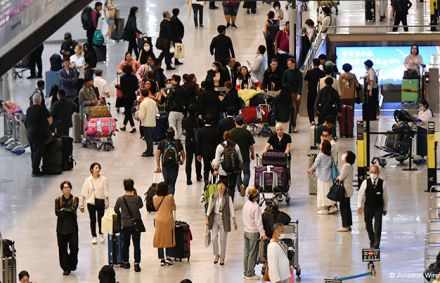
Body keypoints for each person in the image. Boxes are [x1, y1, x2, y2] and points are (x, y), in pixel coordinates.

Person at [114, 179, 143, 272]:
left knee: (125, 244)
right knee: (137, 244)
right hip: (136, 224)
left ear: (124, 187)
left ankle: (126, 262)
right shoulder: (137, 198)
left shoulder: (120, 199)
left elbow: (116, 209)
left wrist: (121, 215)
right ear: (133, 186)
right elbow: (140, 206)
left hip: (125, 224)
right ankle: (137, 264)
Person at [206, 179, 237, 265]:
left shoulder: (228, 198)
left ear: (225, 187)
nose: (221, 186)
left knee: (223, 240)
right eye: (219, 184)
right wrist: (207, 218)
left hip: (224, 219)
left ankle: (222, 257)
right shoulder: (213, 196)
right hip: (214, 218)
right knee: (213, 238)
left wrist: (234, 221)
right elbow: (209, 207)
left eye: (223, 185)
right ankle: (216, 254)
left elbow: (231, 209)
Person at [357, 165, 389, 249]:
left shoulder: (383, 183)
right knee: (368, 225)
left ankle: (376, 244)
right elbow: (361, 194)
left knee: (378, 226)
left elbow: (385, 197)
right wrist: (359, 206)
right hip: (368, 207)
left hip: (378, 207)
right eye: (371, 172)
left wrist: (385, 208)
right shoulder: (365, 182)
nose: (373, 174)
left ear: (378, 173)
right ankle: (372, 239)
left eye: (375, 172)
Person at [79, 162, 109, 244]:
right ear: (91, 170)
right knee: (92, 219)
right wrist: (82, 203)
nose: (98, 169)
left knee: (101, 219)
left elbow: (106, 191)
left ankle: (101, 234)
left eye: (98, 168)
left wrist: (107, 201)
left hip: (100, 201)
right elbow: (84, 192)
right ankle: (94, 236)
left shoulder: (104, 179)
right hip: (91, 202)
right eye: (96, 168)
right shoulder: (88, 180)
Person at [307, 140, 338, 215]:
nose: (320, 144)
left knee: (322, 192)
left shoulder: (320, 155)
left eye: (321, 144)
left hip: (322, 177)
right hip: (329, 177)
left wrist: (309, 170)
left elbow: (315, 165)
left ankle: (324, 208)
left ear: (323, 147)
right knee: (329, 192)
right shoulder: (329, 155)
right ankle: (332, 207)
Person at [55, 181, 79, 276]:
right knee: (62, 250)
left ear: (71, 188)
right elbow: (57, 213)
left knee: (74, 248)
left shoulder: (75, 199)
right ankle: (66, 268)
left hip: (73, 229)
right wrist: (67, 211)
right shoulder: (58, 200)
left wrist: (63, 209)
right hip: (61, 229)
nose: (66, 189)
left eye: (68, 187)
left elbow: (73, 209)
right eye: (64, 188)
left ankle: (72, 264)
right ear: (62, 189)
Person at [242, 187, 267, 280]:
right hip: (253, 232)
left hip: (246, 231)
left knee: (246, 253)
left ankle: (245, 272)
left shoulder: (246, 204)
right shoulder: (256, 207)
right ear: (256, 197)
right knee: (253, 253)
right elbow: (258, 222)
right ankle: (250, 273)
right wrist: (262, 233)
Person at [26, 93, 53, 176]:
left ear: (33, 100)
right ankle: (36, 171)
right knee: (38, 152)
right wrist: (45, 125)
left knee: (33, 151)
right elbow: (50, 120)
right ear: (40, 100)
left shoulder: (28, 109)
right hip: (39, 133)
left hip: (30, 133)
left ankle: (34, 168)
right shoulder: (42, 109)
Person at [212, 130, 243, 201]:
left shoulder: (220, 146)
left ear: (223, 137)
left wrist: (215, 170)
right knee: (232, 188)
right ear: (231, 137)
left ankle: (223, 202)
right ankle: (230, 203)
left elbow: (217, 160)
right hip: (233, 171)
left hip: (223, 171)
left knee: (223, 187)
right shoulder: (236, 146)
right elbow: (240, 159)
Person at [155, 128, 186, 195]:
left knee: (166, 183)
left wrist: (158, 166)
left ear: (166, 134)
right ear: (174, 134)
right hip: (174, 166)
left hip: (165, 165)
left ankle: (166, 199)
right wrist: (182, 161)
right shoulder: (178, 143)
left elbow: (158, 155)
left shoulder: (162, 142)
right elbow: (183, 154)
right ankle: (170, 199)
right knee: (172, 184)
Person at [153, 182, 177, 266]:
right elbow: (174, 207)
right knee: (168, 237)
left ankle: (162, 259)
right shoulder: (170, 197)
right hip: (168, 220)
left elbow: (156, 207)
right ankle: (168, 257)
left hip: (159, 220)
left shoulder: (155, 198)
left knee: (160, 238)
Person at [231, 115, 255, 196]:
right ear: (243, 122)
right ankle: (244, 186)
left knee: (237, 173)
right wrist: (252, 153)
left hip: (234, 158)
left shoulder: (231, 132)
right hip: (244, 156)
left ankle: (239, 188)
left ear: (235, 122)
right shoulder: (247, 132)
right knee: (247, 173)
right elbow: (251, 145)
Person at [197, 114, 222, 183]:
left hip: (204, 152)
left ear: (204, 121)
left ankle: (206, 181)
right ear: (212, 122)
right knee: (214, 167)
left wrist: (198, 154)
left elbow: (199, 143)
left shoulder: (201, 131)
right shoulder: (216, 131)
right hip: (214, 152)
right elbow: (218, 143)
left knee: (206, 168)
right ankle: (213, 182)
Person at [182, 104, 202, 185]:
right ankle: (198, 175)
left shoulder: (185, 120)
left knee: (189, 160)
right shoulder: (198, 120)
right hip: (197, 142)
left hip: (188, 141)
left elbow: (184, 129)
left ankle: (188, 179)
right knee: (198, 160)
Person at [336, 151, 356, 232]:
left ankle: (345, 226)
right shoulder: (349, 166)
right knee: (347, 207)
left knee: (343, 207)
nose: (343, 155)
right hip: (348, 190)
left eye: (345, 154)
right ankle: (348, 225)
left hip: (345, 190)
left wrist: (337, 178)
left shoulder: (346, 166)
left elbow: (341, 178)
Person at [282, 58, 303, 133]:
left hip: (296, 93)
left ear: (293, 64)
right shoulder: (286, 72)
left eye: (289, 64)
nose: (288, 65)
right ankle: (293, 126)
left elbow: (300, 84)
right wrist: (288, 85)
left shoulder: (299, 73)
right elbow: (283, 83)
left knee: (296, 110)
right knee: (292, 109)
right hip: (288, 93)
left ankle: (293, 124)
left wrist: (299, 93)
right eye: (287, 64)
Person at [136, 88, 159, 157]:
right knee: (149, 138)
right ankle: (148, 150)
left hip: (146, 123)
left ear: (142, 95)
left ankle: (150, 152)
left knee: (148, 139)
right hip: (152, 122)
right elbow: (157, 112)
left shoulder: (143, 103)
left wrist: (137, 115)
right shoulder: (153, 101)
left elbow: (142, 116)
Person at [304, 58, 325, 125]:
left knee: (310, 106)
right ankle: (320, 120)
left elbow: (306, 82)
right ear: (319, 64)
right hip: (320, 93)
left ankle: (312, 121)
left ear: (313, 63)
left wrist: (308, 89)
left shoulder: (309, 72)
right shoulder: (322, 73)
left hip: (311, 92)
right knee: (319, 106)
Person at [119, 64, 139, 133]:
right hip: (132, 96)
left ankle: (133, 126)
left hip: (125, 96)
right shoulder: (134, 77)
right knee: (128, 110)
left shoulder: (122, 78)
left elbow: (121, 88)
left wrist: (117, 87)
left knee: (128, 111)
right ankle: (124, 125)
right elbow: (136, 87)